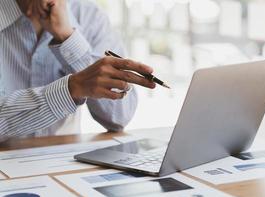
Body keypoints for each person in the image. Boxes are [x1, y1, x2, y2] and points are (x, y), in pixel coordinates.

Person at [0, 0, 156, 139]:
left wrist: (68, 38)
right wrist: (71, 89)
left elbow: (119, 116)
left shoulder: (91, 17)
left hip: (66, 164)